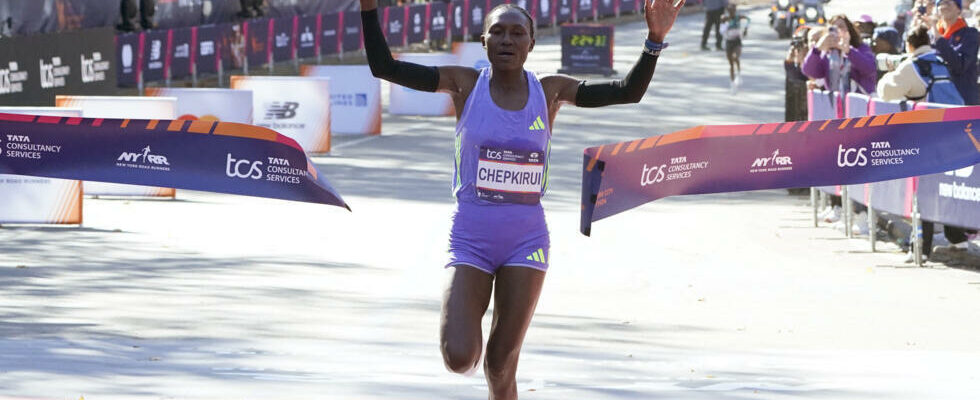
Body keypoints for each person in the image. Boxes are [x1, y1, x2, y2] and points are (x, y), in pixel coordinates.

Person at [358, 0, 684, 398]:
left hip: (525, 240)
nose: (507, 40)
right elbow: (385, 68)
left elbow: (627, 92)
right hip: (470, 237)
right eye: (497, 32)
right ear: (484, 41)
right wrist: (369, 9)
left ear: (531, 42)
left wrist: (655, 40)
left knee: (499, 363)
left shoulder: (550, 91)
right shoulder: (464, 84)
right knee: (459, 357)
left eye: (516, 33)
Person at [877, 24, 965, 104]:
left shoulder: (910, 66)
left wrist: (890, 73)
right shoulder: (939, 61)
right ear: (928, 42)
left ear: (909, 45)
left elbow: (886, 94)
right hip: (953, 114)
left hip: (931, 118)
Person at [802, 15, 878, 95]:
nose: (837, 31)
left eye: (841, 27)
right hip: (837, 103)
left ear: (849, 30)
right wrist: (817, 49)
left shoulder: (861, 48)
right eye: (833, 29)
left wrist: (849, 51)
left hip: (860, 102)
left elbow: (870, 69)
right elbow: (810, 71)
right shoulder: (827, 55)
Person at [931, 0, 979, 105]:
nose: (943, 6)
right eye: (940, 3)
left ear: (958, 9)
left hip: (963, 99)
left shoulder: (970, 34)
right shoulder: (931, 35)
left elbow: (959, 65)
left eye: (948, 3)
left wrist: (939, 39)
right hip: (937, 99)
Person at [720, 3, 749, 93]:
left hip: (737, 41)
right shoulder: (724, 18)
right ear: (728, 11)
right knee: (731, 64)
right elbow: (721, 30)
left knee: (735, 57)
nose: (732, 12)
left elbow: (748, 19)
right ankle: (732, 83)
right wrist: (725, 24)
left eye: (733, 10)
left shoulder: (738, 17)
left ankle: (739, 73)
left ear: (735, 10)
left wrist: (745, 29)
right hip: (729, 42)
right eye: (730, 10)